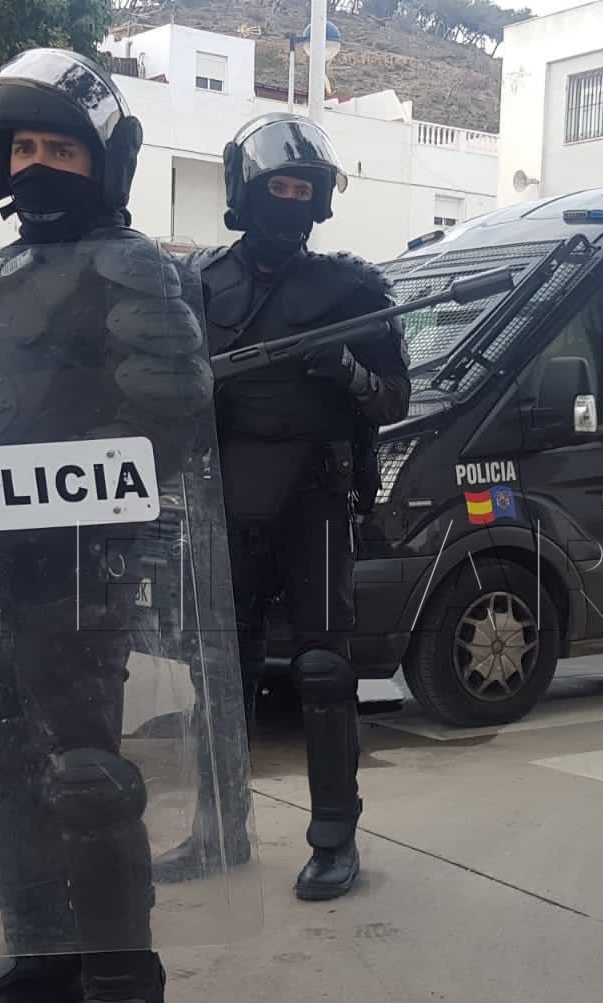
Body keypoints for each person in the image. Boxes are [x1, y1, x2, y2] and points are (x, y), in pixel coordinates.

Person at [0, 48, 220, 1003]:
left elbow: (169, 418)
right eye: (24, 147)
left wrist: (63, 497)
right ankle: (43, 959)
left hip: (75, 569)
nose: (38, 165)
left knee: (85, 778)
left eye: (61, 148)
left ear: (102, 162)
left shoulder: (128, 269)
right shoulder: (8, 269)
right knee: (2, 763)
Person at [152, 113, 410, 902]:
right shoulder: (195, 283)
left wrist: (348, 374)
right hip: (222, 497)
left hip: (313, 501)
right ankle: (218, 831)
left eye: (304, 190)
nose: (290, 201)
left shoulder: (352, 289)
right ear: (246, 190)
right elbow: (157, 385)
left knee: (324, 671)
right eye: (278, 187)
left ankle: (334, 838)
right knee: (218, 670)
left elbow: (395, 399)